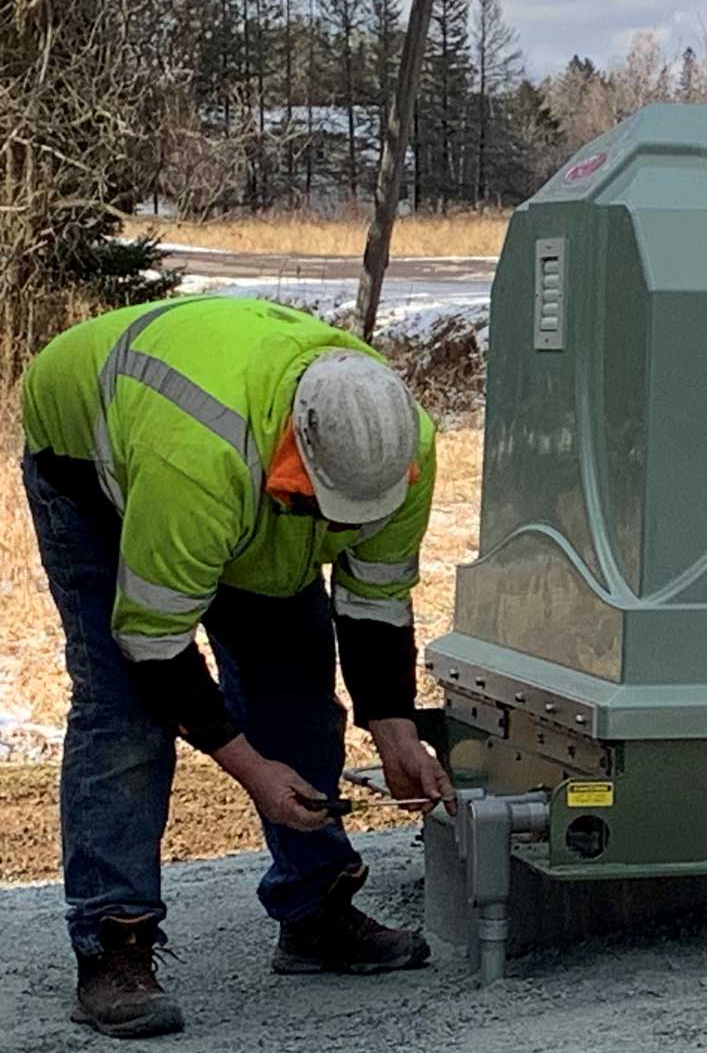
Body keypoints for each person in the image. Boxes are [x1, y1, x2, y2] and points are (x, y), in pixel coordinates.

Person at [19, 295, 455, 1040]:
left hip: (240, 477)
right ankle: (112, 946)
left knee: (298, 692)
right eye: (335, 508)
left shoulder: (398, 447)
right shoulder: (195, 460)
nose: (350, 528)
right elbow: (153, 648)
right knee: (125, 715)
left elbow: (376, 605)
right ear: (296, 458)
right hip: (91, 460)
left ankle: (316, 913)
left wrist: (397, 730)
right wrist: (251, 768)